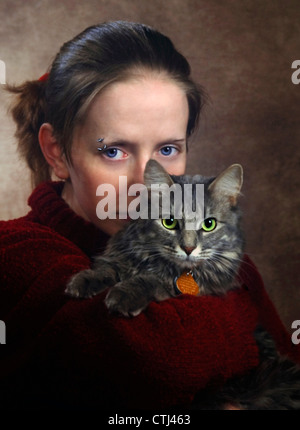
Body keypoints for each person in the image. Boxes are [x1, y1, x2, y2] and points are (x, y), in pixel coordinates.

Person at [0, 21, 299, 410]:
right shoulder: (15, 251)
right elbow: (160, 362)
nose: (146, 181)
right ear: (56, 152)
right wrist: (232, 305)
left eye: (169, 150)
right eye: (113, 151)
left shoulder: (211, 251)